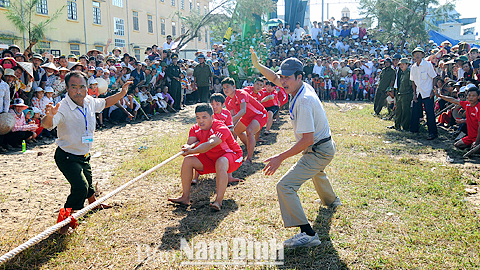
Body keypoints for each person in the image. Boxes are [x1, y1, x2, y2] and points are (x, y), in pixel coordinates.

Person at [250, 48, 341, 248]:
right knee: (317, 172)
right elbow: (273, 77)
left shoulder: (304, 101)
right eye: (282, 77)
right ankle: (332, 201)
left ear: (299, 77)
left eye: (287, 78)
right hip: (322, 146)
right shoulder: (299, 87)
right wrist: (258, 66)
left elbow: (307, 140)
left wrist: (280, 157)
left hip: (319, 149)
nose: (282, 82)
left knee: (285, 186)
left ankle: (308, 234)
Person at [42, 71, 133, 224]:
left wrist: (122, 93)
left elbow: (106, 102)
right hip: (67, 156)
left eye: (82, 87)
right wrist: (50, 116)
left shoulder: (89, 100)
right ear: (67, 88)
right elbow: (47, 124)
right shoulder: (62, 107)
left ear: (87, 87)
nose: (78, 91)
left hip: (84, 153)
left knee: (89, 182)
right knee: (80, 188)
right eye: (74, 87)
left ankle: (94, 204)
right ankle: (63, 221)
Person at [168, 103, 243, 211]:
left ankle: (218, 201)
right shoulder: (195, 129)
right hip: (211, 159)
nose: (200, 121)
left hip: (233, 158)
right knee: (188, 160)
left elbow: (211, 144)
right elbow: (190, 143)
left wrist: (192, 150)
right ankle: (185, 197)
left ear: (212, 117)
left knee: (221, 161)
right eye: (198, 117)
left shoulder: (221, 127)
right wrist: (187, 147)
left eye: (204, 117)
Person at [223, 77, 268, 164]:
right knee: (237, 130)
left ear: (234, 87)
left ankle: (249, 158)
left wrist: (230, 120)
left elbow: (243, 111)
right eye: (224, 88)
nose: (226, 89)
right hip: (247, 117)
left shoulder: (241, 94)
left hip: (260, 114)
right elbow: (233, 116)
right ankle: (249, 146)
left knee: (249, 131)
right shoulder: (227, 101)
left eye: (228, 87)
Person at [435, 85, 480, 150]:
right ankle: (471, 146)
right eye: (469, 95)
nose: (471, 98)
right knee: (457, 145)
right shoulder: (467, 104)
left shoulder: (478, 108)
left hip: (478, 137)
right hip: (470, 136)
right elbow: (453, 100)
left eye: (473, 96)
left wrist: (477, 141)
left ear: (478, 97)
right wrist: (440, 96)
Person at [409, 47, 438, 140]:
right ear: (413, 56)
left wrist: (433, 91)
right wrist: (414, 94)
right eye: (415, 53)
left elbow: (434, 77)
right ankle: (414, 130)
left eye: (419, 53)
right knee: (415, 111)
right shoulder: (413, 67)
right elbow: (413, 82)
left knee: (430, 113)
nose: (417, 55)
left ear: (422, 55)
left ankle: (432, 133)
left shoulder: (427, 65)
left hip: (427, 92)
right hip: (418, 92)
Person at [391, 58, 413, 131]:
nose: (401, 66)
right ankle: (397, 125)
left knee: (405, 111)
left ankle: (405, 127)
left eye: (403, 64)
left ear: (407, 64)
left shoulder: (409, 73)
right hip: (400, 93)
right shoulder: (402, 73)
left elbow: (412, 85)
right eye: (400, 64)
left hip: (406, 94)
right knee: (398, 110)